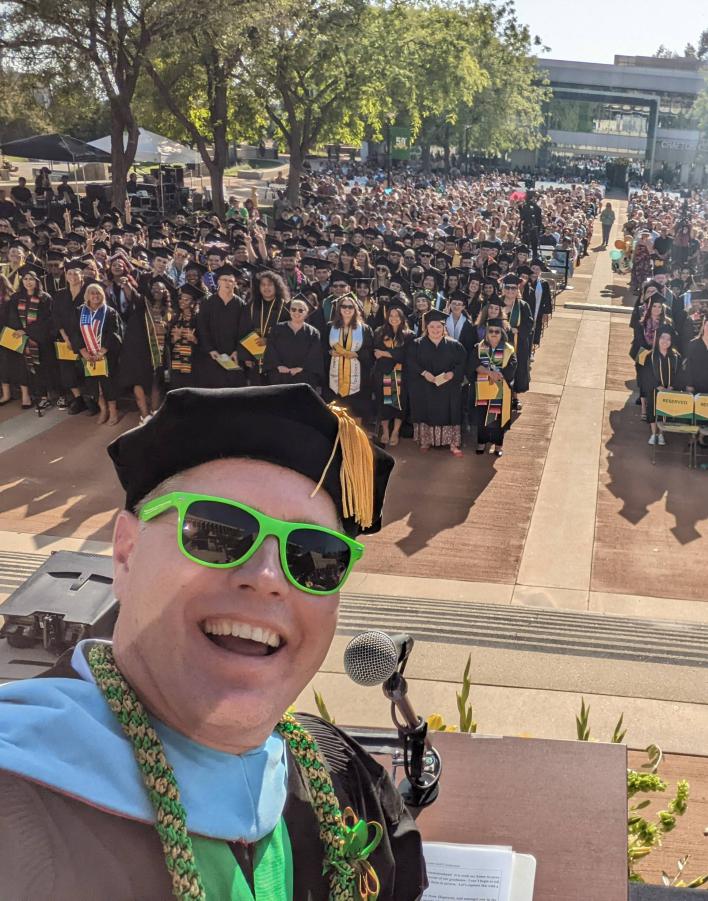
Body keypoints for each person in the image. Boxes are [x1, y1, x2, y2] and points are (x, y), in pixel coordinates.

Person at [0, 384, 427, 900]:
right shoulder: (17, 809)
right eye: (218, 531)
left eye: (316, 556)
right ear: (126, 553)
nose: (268, 576)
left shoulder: (344, 778)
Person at [407, 308, 466, 456]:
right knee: (425, 410)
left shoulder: (455, 345)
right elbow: (410, 362)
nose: (435, 329)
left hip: (448, 388)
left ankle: (453, 443)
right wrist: (424, 372)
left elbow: (463, 363)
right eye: (432, 326)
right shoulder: (417, 344)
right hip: (424, 386)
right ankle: (426, 440)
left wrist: (453, 373)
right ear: (426, 327)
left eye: (439, 326)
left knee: (450, 411)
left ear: (444, 327)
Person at [196, 264, 250, 388]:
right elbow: (202, 328)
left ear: (235, 283)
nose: (228, 283)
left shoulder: (241, 305)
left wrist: (237, 351)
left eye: (231, 281)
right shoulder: (208, 303)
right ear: (218, 282)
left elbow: (244, 330)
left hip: (234, 357)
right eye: (224, 280)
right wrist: (210, 349)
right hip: (213, 356)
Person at [7, 263, 53, 409]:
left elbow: (47, 320)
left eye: (31, 279)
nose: (28, 281)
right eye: (25, 278)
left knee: (43, 366)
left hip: (41, 340)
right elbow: (12, 318)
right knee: (26, 367)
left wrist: (27, 331)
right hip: (23, 341)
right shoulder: (15, 298)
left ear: (37, 281)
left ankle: (47, 395)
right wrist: (20, 331)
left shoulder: (45, 298)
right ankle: (36, 395)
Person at [76, 281, 123, 425]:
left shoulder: (109, 312)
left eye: (98, 293)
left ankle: (113, 412)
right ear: (87, 295)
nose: (95, 296)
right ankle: (103, 410)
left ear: (102, 295)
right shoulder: (79, 311)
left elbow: (114, 333)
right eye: (92, 293)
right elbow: (75, 332)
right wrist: (83, 351)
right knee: (93, 384)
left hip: (106, 355)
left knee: (108, 384)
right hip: (87, 356)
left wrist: (102, 351)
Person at [470, 318, 517, 457]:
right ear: (486, 333)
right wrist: (489, 372)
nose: (494, 333)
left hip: (501, 388)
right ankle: (481, 442)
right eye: (491, 331)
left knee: (499, 417)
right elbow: (473, 364)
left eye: (497, 331)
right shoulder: (479, 347)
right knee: (482, 415)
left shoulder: (508, 349)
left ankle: (498, 445)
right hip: (483, 387)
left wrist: (499, 375)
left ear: (502, 333)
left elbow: (512, 366)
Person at [324, 294, 374, 421]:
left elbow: (370, 351)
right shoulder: (330, 327)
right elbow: (322, 348)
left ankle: (356, 437)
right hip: (334, 378)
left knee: (356, 409)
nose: (347, 309)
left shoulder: (364, 329)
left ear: (355, 309)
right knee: (335, 409)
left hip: (358, 379)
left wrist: (357, 354)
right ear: (339, 309)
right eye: (343, 306)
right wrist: (329, 352)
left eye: (350, 307)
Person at [372, 299, 413, 446]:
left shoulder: (409, 335)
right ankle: (385, 431)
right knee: (383, 402)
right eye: (391, 315)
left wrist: (386, 354)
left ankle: (395, 431)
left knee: (400, 403)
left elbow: (407, 356)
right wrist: (393, 354)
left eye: (397, 316)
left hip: (402, 374)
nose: (394, 318)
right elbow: (376, 353)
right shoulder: (379, 332)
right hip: (383, 373)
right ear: (387, 317)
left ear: (402, 318)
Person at [263, 296, 324, 388]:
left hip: (304, 375)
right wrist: (278, 366)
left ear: (306, 313)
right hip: (280, 374)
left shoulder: (313, 333)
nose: (296, 312)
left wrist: (300, 368)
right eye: (293, 309)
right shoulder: (277, 329)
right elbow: (271, 350)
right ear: (289, 311)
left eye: (300, 310)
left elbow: (314, 354)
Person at [51, 259, 86, 414]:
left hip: (86, 338)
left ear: (81, 275)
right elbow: (56, 317)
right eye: (69, 273)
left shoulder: (88, 293)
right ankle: (78, 399)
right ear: (66, 276)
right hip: (66, 339)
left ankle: (91, 398)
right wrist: (65, 337)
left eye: (76, 273)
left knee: (86, 368)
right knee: (67, 369)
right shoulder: (60, 295)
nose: (72, 276)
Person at [639, 327, 682, 446]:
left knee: (665, 411)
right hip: (655, 390)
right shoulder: (650, 356)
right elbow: (646, 374)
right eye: (663, 337)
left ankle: (662, 434)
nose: (665, 341)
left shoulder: (676, 357)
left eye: (668, 339)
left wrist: (672, 387)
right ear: (658, 339)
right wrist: (658, 387)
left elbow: (679, 374)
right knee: (653, 410)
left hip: (670, 391)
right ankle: (653, 434)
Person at [167, 284, 202, 390]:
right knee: (177, 390)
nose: (182, 301)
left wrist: (195, 340)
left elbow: (206, 341)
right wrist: (175, 338)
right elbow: (169, 342)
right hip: (177, 362)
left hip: (193, 362)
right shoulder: (175, 318)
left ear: (193, 302)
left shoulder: (199, 319)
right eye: (181, 298)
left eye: (186, 299)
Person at [684, 316, 708, 395]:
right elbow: (689, 365)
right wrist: (689, 384)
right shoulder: (693, 344)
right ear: (704, 325)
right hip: (696, 387)